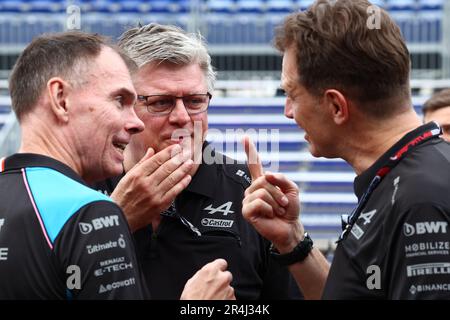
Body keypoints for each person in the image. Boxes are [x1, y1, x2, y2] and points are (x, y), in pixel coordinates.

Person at [0, 32, 234, 300]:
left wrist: (291, 246)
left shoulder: (247, 191)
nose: (133, 121)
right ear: (61, 98)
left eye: (195, 101)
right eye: (120, 101)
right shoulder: (86, 208)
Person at [242, 0, 450, 299]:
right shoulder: (401, 180)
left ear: (336, 106)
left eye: (291, 94)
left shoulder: (420, 200)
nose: (288, 111)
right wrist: (293, 242)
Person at [94, 23, 300, 300]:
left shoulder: (251, 194)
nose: (182, 117)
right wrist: (118, 222)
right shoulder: (81, 188)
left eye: (194, 101)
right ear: (124, 105)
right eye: (160, 102)